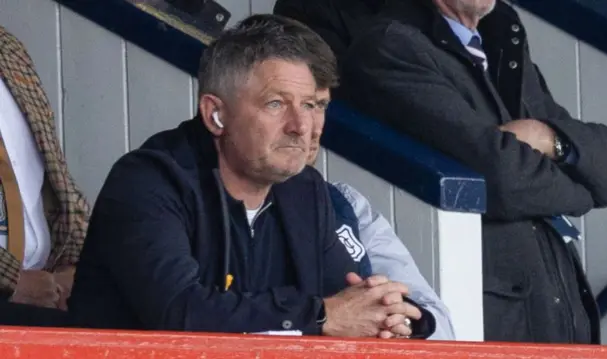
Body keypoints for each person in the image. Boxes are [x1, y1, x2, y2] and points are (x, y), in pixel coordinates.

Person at [68, 15, 435, 339]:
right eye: (276, 103)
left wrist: (388, 316)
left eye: (311, 105)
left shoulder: (305, 190)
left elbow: (347, 300)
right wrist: (320, 314)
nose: (301, 126)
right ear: (216, 115)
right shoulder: (148, 182)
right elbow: (180, 312)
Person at [332, 0, 607, 344]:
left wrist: (548, 138)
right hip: (499, 322)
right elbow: (502, 181)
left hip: (557, 313)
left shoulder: (498, 38)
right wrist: (583, 190)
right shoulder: (392, 45)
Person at [310, 86, 455, 340]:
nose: (305, 126)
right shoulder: (228, 205)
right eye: (276, 104)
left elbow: (440, 326)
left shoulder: (345, 202)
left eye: (316, 106)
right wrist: (327, 315)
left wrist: (400, 320)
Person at [0, 25, 90, 322]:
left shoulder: (8, 49)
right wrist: (13, 280)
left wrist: (76, 265)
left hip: (43, 297)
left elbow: (57, 177)